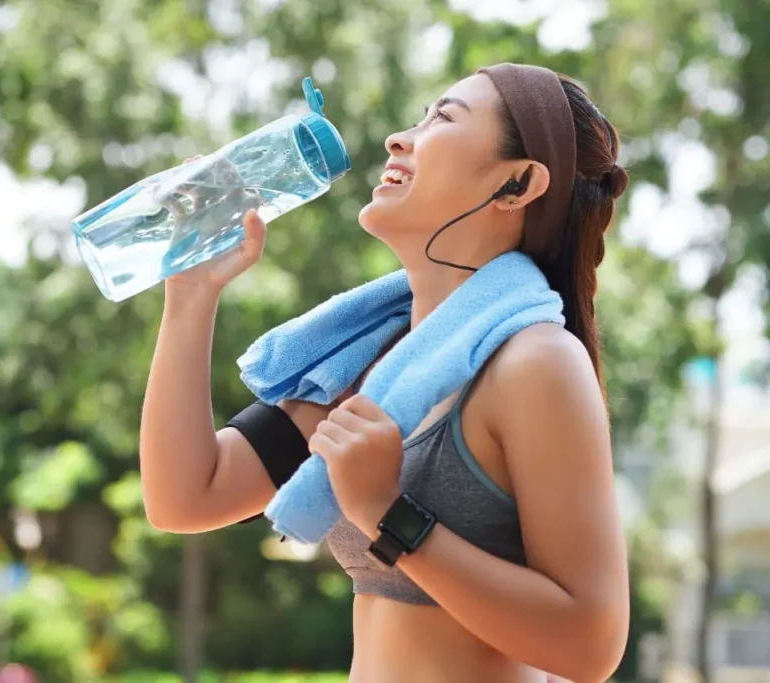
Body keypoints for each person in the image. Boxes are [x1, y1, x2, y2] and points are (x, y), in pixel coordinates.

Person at [139, 63, 630, 683]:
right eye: (419, 116)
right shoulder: (369, 359)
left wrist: (385, 511)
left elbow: (592, 645)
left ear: (519, 183)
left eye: (443, 119)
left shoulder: (535, 362)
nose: (400, 138)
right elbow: (186, 496)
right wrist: (189, 296)